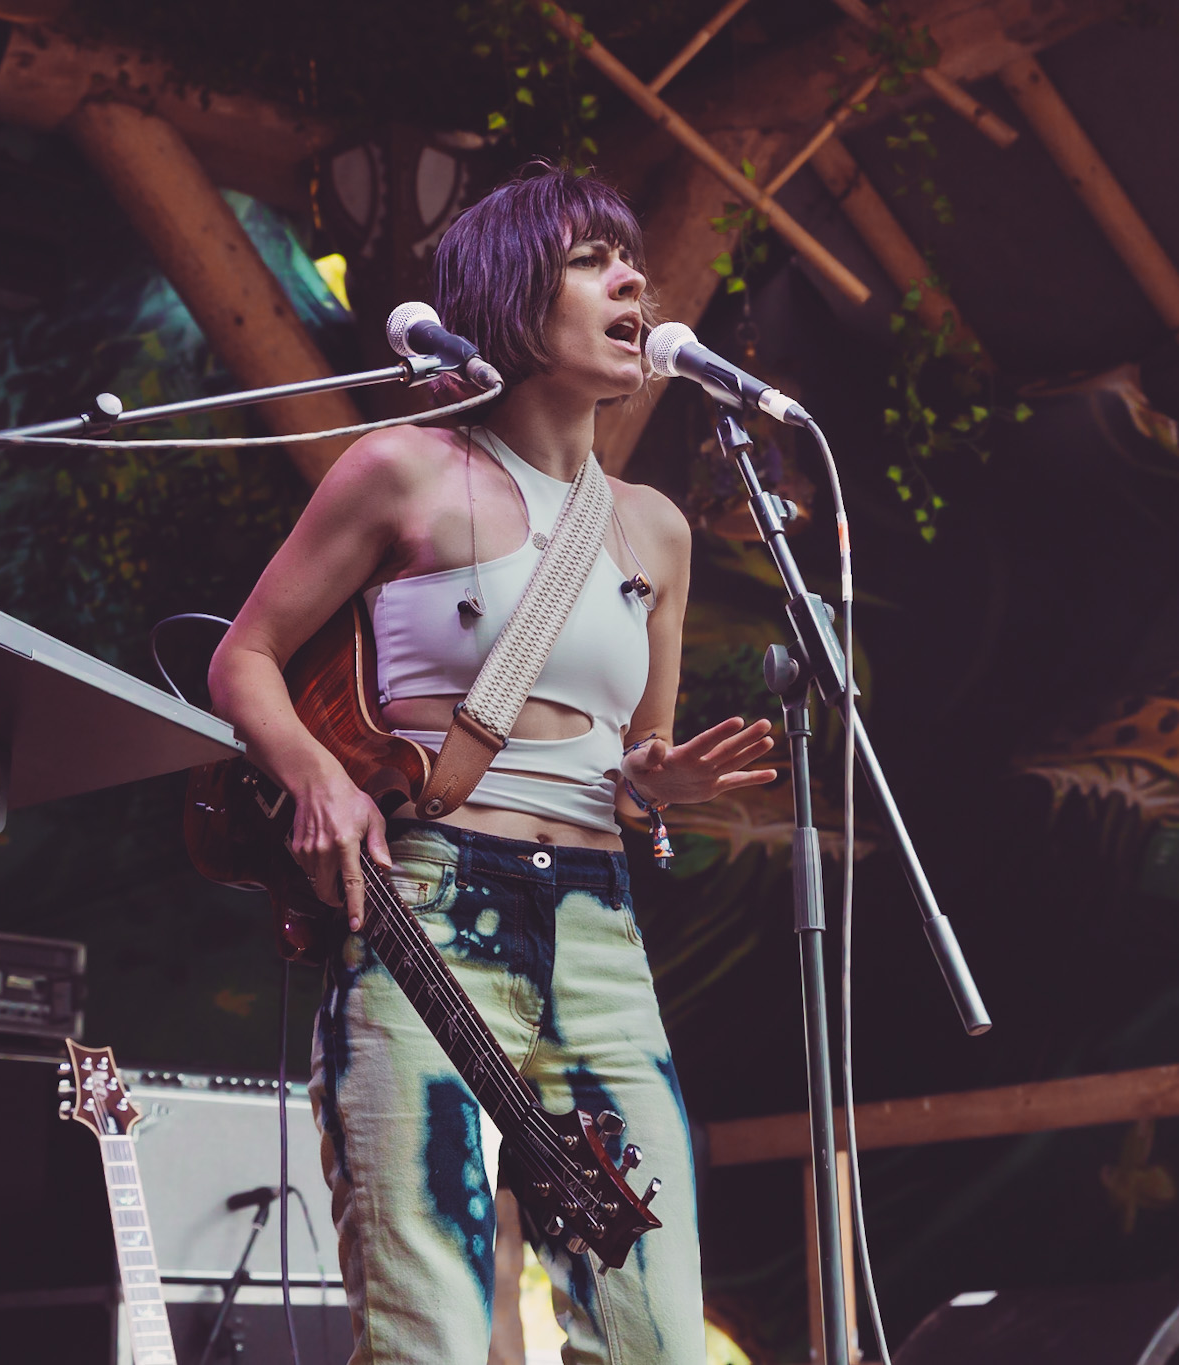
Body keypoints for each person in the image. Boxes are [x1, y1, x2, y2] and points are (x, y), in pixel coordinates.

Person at [207, 163, 776, 1365]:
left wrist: (657, 789)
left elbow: (634, 765)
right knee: (434, 1335)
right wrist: (316, 777)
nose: (633, 279)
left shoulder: (655, 529)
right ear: (517, 301)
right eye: (591, 259)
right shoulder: (405, 470)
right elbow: (242, 658)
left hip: (600, 936)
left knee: (659, 1339)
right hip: (428, 909)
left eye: (633, 260)